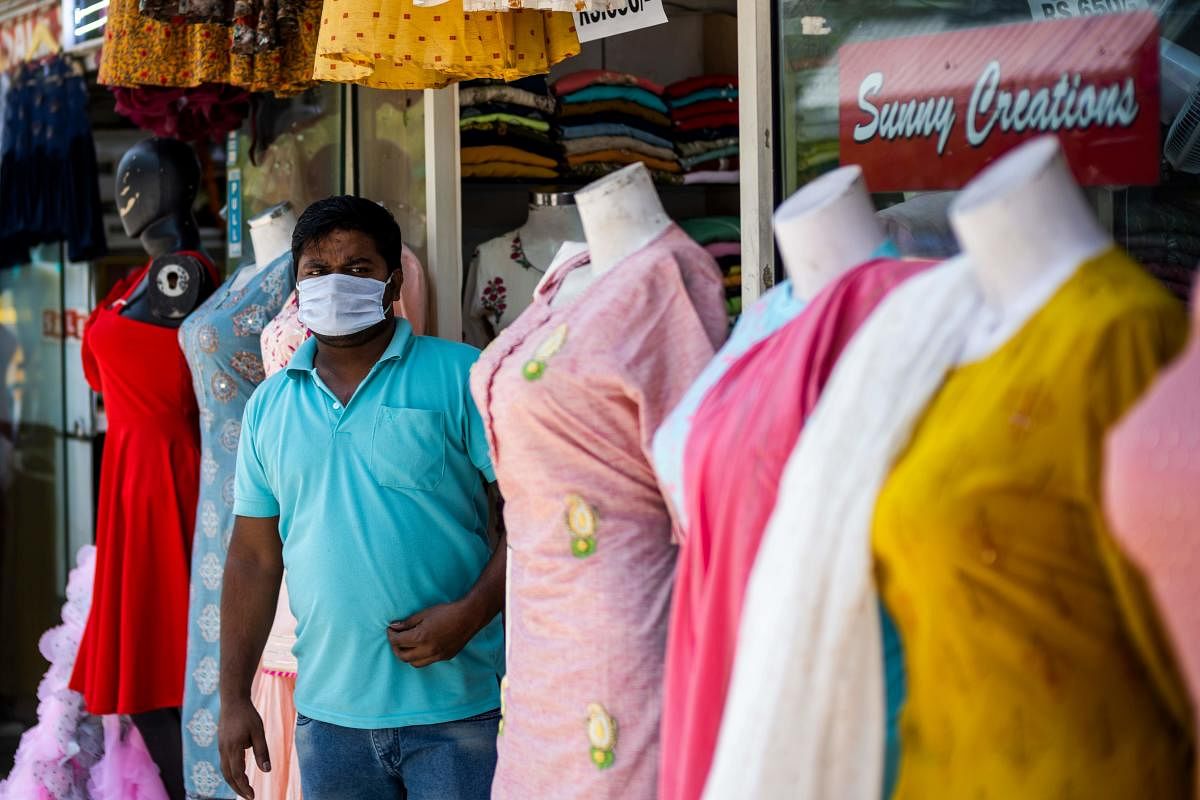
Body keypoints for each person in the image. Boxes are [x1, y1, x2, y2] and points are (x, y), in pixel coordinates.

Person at [217, 196, 506, 800]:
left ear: (393, 279)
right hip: (328, 719)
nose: (334, 284)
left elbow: (532, 516)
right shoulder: (270, 407)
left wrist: (473, 612)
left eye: (358, 267)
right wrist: (233, 697)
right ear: (296, 287)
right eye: (316, 272)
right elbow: (253, 558)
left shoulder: (462, 375)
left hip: (457, 713)